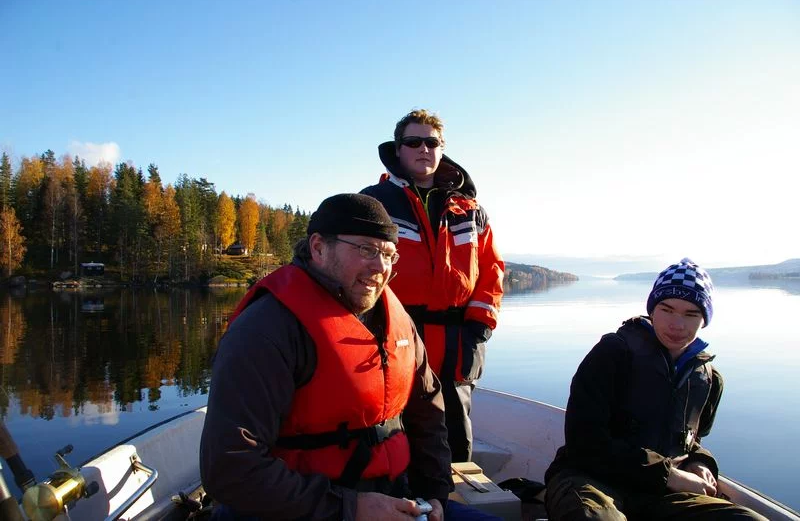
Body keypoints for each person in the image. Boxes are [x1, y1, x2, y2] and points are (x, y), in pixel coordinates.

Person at [200, 193, 499, 521]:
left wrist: (434, 492)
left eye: (389, 254)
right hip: (302, 511)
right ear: (318, 248)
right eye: (367, 250)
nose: (381, 267)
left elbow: (426, 412)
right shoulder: (265, 329)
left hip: (396, 499)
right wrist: (351, 508)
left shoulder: (397, 321)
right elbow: (230, 469)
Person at [544, 258, 767, 520]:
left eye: (691, 314)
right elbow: (584, 443)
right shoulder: (612, 354)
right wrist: (669, 475)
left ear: (704, 319)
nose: (677, 325)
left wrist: (700, 462)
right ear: (652, 309)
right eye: (667, 309)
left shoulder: (708, 379)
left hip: (660, 493)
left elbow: (689, 441)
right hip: (589, 479)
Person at [361, 109, 504, 463]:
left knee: (456, 433)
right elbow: (356, 268)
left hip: (459, 340)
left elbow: (492, 270)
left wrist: (480, 328)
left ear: (442, 148)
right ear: (398, 149)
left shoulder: (470, 209)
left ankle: (456, 492)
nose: (423, 149)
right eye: (413, 142)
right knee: (394, 429)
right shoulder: (373, 203)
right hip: (396, 334)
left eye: (432, 142)